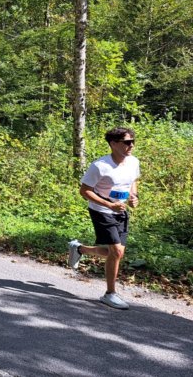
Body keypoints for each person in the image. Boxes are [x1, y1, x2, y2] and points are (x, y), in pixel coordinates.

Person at [68, 127, 140, 310]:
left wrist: (134, 197)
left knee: (116, 253)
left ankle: (79, 249)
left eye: (133, 141)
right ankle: (110, 294)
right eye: (127, 142)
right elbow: (84, 191)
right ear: (113, 144)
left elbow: (133, 181)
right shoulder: (100, 166)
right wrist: (109, 205)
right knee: (115, 252)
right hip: (101, 211)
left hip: (120, 211)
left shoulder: (133, 162)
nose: (131, 145)